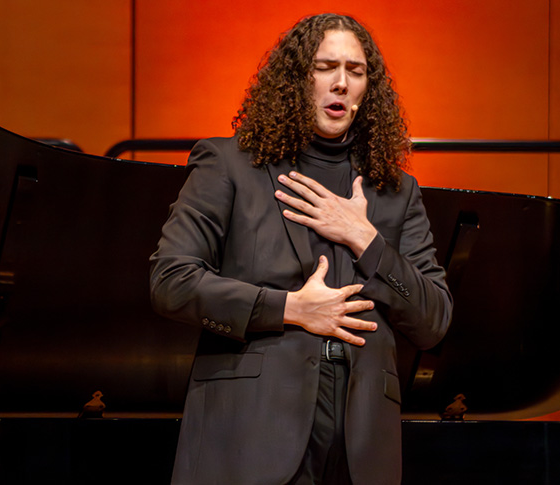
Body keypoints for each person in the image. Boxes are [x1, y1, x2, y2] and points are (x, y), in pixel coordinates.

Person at [149, 13, 452, 485]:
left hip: (360, 448)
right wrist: (289, 308)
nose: (340, 84)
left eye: (355, 71)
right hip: (251, 434)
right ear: (297, 78)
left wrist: (366, 240)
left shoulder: (396, 191)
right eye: (325, 67)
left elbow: (434, 321)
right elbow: (171, 281)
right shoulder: (229, 164)